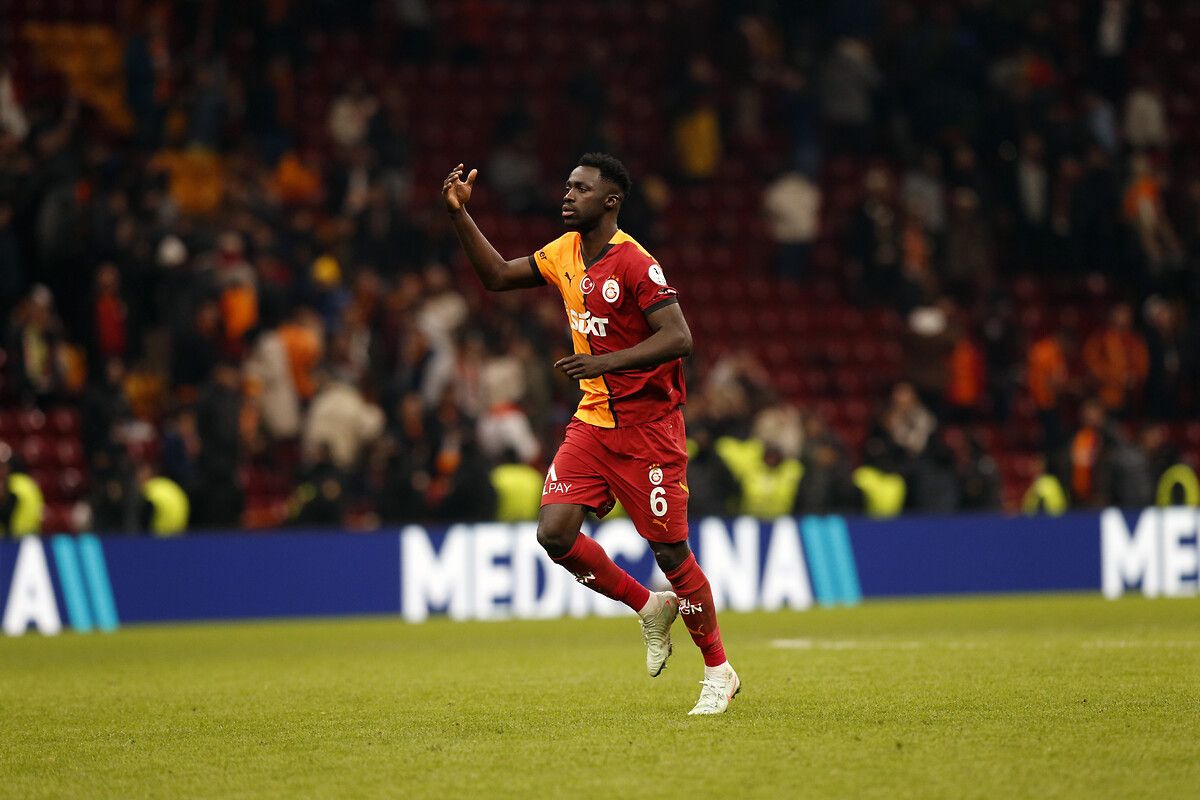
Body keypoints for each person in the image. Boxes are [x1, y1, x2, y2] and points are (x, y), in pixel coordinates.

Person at [442, 153, 738, 715]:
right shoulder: (564, 252)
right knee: (554, 534)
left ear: (611, 200)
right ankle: (649, 607)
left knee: (671, 551)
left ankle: (718, 670)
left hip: (650, 429)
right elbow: (497, 276)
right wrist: (459, 214)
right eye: (567, 186)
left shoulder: (636, 263)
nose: (568, 195)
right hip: (594, 423)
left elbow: (679, 337)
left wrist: (606, 363)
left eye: (581, 188)